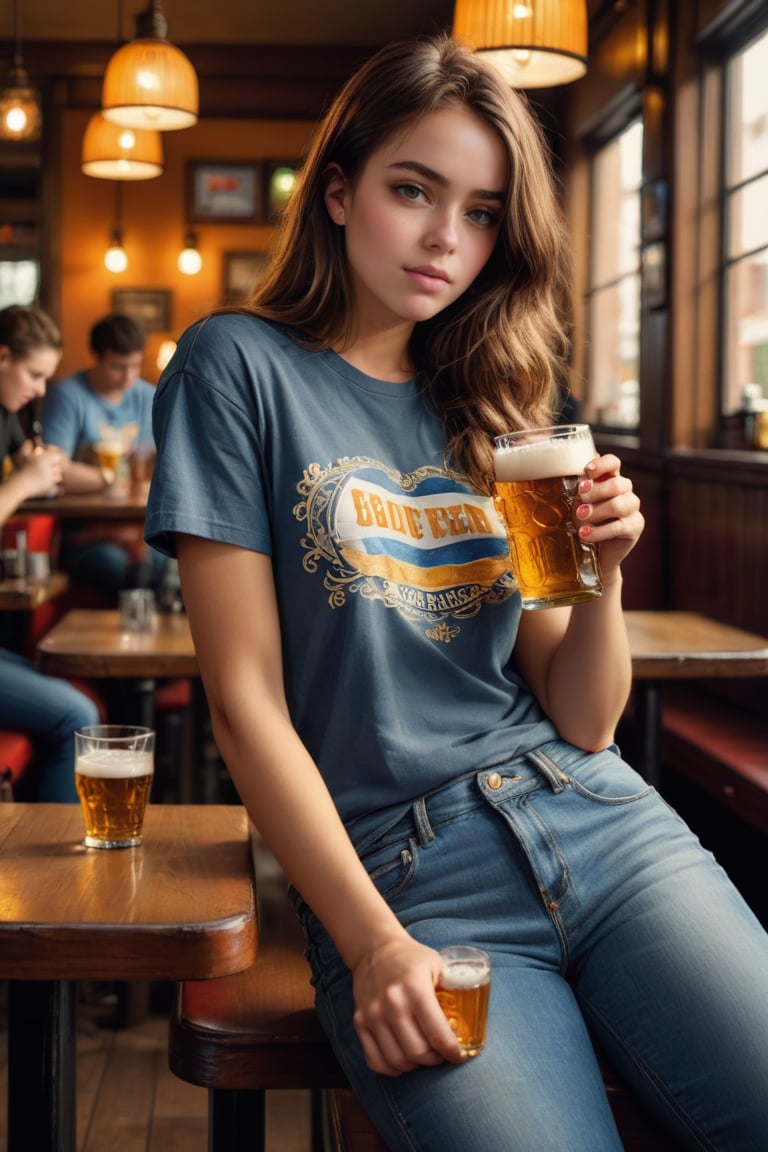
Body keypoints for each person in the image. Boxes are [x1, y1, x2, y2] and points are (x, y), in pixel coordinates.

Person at [145, 35, 768, 1152]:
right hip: (407, 874)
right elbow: (245, 707)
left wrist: (607, 578)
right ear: (338, 192)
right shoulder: (235, 367)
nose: (446, 238)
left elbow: (584, 716)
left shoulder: (492, 401)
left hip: (604, 820)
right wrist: (373, 942)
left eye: (482, 212)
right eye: (413, 191)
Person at [0, 304, 100, 801]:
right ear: (2, 357)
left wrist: (103, 475)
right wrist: (24, 482)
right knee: (77, 716)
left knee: (58, 677)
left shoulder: (8, 417)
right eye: (35, 375)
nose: (41, 390)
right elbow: (29, 476)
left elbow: (46, 469)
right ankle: (48, 873)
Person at [41, 311, 164, 594]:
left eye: (135, 365)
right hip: (85, 531)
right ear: (96, 355)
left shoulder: (148, 396)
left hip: (139, 526)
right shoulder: (69, 395)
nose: (128, 376)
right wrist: (109, 478)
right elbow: (52, 470)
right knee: (119, 566)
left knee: (164, 564)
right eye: (118, 366)